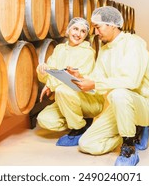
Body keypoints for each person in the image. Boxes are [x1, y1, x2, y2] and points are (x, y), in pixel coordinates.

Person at [67, 6, 149, 166]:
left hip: (145, 104)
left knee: (118, 93)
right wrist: (81, 78)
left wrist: (95, 83)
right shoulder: (104, 50)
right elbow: (97, 79)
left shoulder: (133, 44)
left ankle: (129, 145)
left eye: (98, 27)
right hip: (119, 106)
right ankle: (133, 127)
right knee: (86, 144)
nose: (95, 33)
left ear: (112, 24)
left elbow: (131, 81)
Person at [36, 17, 105, 146]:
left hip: (88, 99)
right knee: (44, 119)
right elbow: (51, 72)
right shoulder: (60, 49)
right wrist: (43, 72)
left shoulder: (87, 52)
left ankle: (78, 129)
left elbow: (72, 81)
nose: (78, 34)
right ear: (68, 30)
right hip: (67, 99)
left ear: (86, 36)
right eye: (75, 29)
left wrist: (50, 85)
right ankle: (82, 122)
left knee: (63, 89)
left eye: (83, 31)